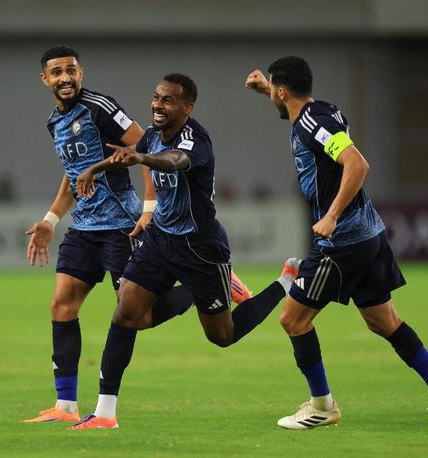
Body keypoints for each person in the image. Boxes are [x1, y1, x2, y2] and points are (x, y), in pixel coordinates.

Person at [23, 46, 252, 424]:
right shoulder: (55, 121)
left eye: (71, 71)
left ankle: (202, 286)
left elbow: (144, 144)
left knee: (136, 316)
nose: (65, 78)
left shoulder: (99, 107)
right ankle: (65, 406)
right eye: (57, 72)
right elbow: (75, 171)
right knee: (61, 304)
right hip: (84, 226)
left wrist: (148, 208)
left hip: (121, 224)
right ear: (45, 79)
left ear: (81, 73)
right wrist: (50, 219)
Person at [245, 57, 428, 432]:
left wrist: (331, 215)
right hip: (368, 234)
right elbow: (312, 126)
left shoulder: (312, 123)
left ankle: (322, 406)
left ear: (283, 92)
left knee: (293, 320)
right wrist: (267, 89)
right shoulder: (320, 112)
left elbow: (357, 164)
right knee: (384, 321)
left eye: (273, 90)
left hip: (342, 241)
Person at [68, 73, 300, 429]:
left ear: (187, 107)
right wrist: (94, 168)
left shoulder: (196, 140)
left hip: (200, 250)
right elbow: (129, 156)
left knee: (222, 336)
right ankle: (104, 413)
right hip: (160, 240)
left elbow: (175, 161)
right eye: (156, 97)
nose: (158, 105)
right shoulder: (151, 134)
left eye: (168, 100)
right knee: (127, 313)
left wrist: (143, 158)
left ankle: (285, 282)